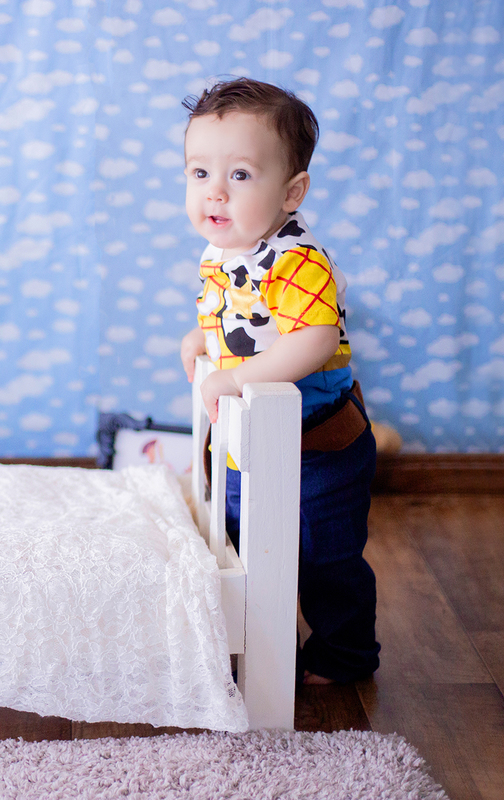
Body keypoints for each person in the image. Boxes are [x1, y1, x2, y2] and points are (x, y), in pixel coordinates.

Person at [177, 77, 380, 685]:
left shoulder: (295, 260)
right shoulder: (224, 249)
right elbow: (239, 316)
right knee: (245, 542)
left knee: (324, 553)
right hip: (251, 440)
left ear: (292, 192)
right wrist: (203, 339)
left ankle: (345, 654)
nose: (215, 191)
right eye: (199, 173)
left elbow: (313, 338)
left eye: (240, 175)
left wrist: (236, 376)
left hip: (318, 444)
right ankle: (263, 645)